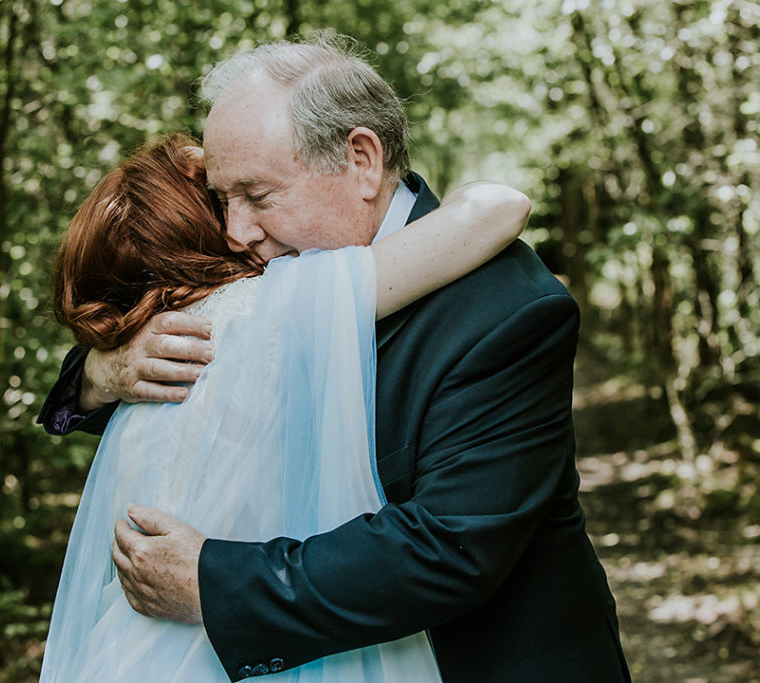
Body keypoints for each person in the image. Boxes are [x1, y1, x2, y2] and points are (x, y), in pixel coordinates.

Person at [38, 36, 631, 682]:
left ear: (361, 161)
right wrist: (100, 373)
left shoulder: (504, 311)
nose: (235, 232)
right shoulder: (268, 294)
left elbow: (449, 548)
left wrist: (211, 581)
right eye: (221, 200)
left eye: (258, 196)